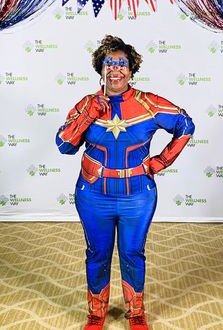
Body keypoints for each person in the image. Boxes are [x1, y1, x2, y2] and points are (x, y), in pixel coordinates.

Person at [56, 35, 195, 330]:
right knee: (97, 254)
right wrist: (90, 113)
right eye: (109, 63)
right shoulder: (86, 103)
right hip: (93, 195)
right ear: (100, 69)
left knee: (133, 253)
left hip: (137, 196)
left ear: (131, 70)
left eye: (122, 64)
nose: (115, 70)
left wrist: (161, 162)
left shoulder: (149, 104)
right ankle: (96, 315)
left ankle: (136, 313)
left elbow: (185, 125)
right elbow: (64, 145)